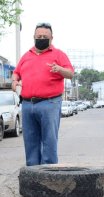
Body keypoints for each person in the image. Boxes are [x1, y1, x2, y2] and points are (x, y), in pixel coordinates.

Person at [12, 22, 74, 166]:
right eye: (38, 36)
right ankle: (33, 175)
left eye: (45, 36)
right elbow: (16, 73)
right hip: (27, 104)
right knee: (30, 141)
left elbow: (70, 73)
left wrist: (59, 69)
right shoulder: (26, 56)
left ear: (51, 38)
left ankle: (50, 174)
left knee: (49, 141)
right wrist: (14, 81)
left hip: (50, 103)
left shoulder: (59, 55)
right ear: (33, 37)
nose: (41, 38)